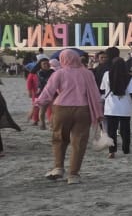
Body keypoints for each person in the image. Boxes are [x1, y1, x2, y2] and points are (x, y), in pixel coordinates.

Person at [35, 49, 104, 184]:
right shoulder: (87, 73)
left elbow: (48, 91)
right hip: (83, 110)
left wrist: (39, 104)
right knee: (79, 142)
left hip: (62, 109)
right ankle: (73, 174)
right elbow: (95, 93)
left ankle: (58, 167)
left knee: (59, 138)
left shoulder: (59, 73)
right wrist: (99, 111)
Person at [101, 53, 132, 159]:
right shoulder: (130, 78)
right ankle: (126, 149)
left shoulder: (106, 74)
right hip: (125, 108)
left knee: (111, 131)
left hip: (110, 108)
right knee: (125, 130)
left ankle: (112, 151)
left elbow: (102, 89)